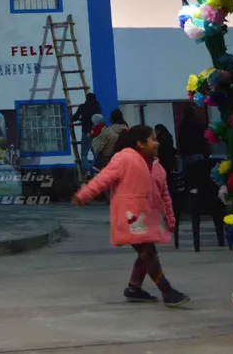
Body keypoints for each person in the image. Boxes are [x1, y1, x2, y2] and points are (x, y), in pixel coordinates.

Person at [72, 125, 188, 306]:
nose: (157, 143)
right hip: (130, 218)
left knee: (147, 253)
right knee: (148, 252)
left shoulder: (157, 167)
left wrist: (170, 219)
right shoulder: (124, 158)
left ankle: (134, 288)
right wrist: (83, 195)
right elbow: (103, 179)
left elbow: (164, 195)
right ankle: (167, 290)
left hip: (147, 218)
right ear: (140, 143)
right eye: (153, 139)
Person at [72, 94, 102, 172]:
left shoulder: (83, 106)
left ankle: (87, 171)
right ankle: (96, 170)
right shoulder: (98, 107)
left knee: (84, 154)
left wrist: (78, 119)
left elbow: (74, 117)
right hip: (96, 133)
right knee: (95, 153)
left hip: (86, 132)